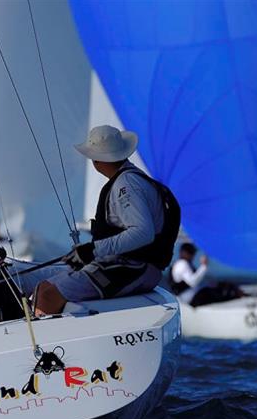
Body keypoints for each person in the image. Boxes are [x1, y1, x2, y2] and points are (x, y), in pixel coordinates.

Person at [35, 125, 180, 315]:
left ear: (96, 160)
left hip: (134, 268)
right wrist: (88, 253)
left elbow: (143, 233)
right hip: (130, 267)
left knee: (47, 296)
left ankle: (44, 344)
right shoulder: (130, 180)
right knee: (42, 289)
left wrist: (93, 250)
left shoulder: (126, 185)